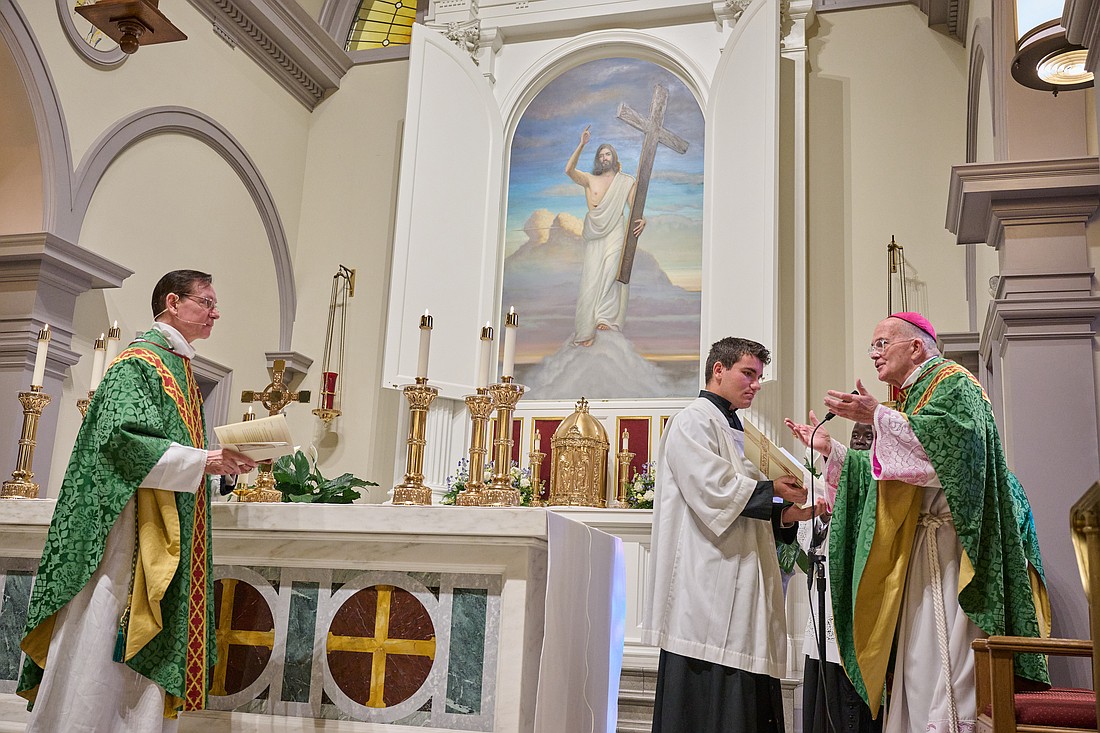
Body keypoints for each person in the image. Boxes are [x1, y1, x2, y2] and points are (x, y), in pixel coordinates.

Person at [785, 312, 1049, 733]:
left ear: (916, 346)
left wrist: (877, 418)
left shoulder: (955, 382)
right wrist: (833, 450)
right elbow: (890, 473)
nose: (874, 353)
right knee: (915, 660)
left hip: (952, 549)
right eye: (872, 346)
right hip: (922, 550)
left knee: (945, 661)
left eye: (882, 343)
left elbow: (949, 452)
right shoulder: (913, 396)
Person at [18, 270, 257, 732]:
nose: (215, 312)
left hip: (160, 519)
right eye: (205, 302)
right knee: (107, 621)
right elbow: (121, 439)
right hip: (127, 533)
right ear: (172, 302)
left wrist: (217, 466)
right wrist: (204, 459)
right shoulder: (139, 363)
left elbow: (173, 453)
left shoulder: (179, 368)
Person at [642, 336, 821, 733]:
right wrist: (773, 489)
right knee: (710, 697)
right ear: (718, 370)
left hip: (735, 580)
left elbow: (750, 506)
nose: (756, 384)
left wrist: (789, 514)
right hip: (706, 585)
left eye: (759, 376)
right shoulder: (693, 419)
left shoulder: (733, 426)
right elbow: (713, 491)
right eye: (748, 373)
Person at [799, 422, 880, 733]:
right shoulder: (829, 483)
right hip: (827, 599)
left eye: (868, 436)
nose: (860, 441)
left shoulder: (881, 483)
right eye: (855, 435)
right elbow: (810, 543)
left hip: (859, 605)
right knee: (824, 680)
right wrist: (822, 519)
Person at [565, 125, 646, 347]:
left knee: (612, 270)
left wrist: (643, 219)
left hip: (616, 229)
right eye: (601, 155)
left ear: (614, 157)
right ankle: (586, 330)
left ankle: (604, 318)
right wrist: (581, 144)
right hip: (595, 232)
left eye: (607, 153)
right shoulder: (590, 179)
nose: (604, 157)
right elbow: (569, 170)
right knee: (592, 279)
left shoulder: (625, 181)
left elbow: (634, 207)